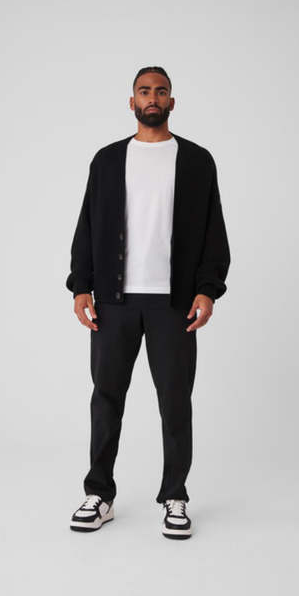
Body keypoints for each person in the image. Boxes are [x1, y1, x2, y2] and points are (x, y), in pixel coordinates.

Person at [66, 66, 231, 539]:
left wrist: (207, 289)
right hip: (114, 300)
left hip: (174, 303)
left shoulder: (197, 161)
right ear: (132, 101)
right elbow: (87, 226)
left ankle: (175, 496)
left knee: (175, 401)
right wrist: (81, 287)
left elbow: (213, 231)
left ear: (172, 102)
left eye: (161, 91)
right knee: (106, 399)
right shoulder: (107, 160)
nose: (152, 97)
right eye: (144, 91)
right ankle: (99, 494)